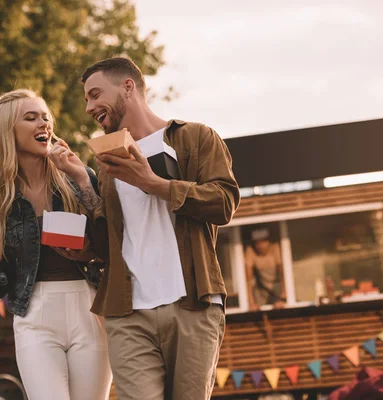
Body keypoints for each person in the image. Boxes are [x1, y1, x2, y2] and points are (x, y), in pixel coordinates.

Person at [78, 57, 241, 400]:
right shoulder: (107, 162)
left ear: (128, 86)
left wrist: (155, 184)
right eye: (87, 100)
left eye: (95, 95)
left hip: (192, 304)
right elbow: (111, 238)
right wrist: (82, 184)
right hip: (128, 313)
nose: (90, 107)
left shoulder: (195, 137)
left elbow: (224, 203)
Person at [0, 89, 112, 400]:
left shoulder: (78, 179)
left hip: (90, 308)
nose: (44, 124)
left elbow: (110, 242)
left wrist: (82, 181)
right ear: (8, 131)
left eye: (45, 117)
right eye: (31, 117)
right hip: (34, 315)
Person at [244, 227, 286, 310]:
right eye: (257, 242)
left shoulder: (275, 248)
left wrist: (283, 298)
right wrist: (251, 302)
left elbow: (282, 273)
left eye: (263, 241)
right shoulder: (251, 251)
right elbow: (248, 279)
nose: (260, 245)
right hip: (261, 292)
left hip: (277, 288)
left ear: (268, 240)